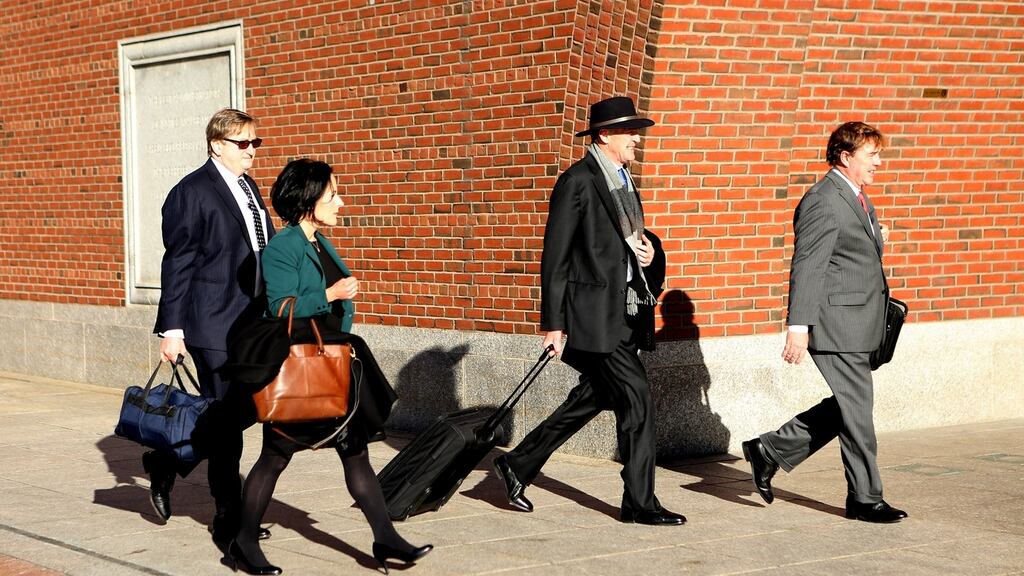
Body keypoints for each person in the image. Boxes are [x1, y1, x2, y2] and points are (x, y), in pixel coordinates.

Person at [226, 159, 431, 575]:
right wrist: (331, 292)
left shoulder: (317, 240)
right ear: (308, 200)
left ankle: (385, 538)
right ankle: (243, 541)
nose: (340, 201)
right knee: (274, 455)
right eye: (332, 194)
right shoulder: (284, 246)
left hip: (333, 363)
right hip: (302, 369)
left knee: (355, 453)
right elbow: (279, 306)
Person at [491, 96, 685, 526]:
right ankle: (640, 503)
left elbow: (622, 240)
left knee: (593, 397)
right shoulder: (577, 181)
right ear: (604, 135)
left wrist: (648, 252)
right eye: (629, 131)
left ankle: (518, 463)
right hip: (593, 317)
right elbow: (555, 257)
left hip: (624, 313)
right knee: (638, 399)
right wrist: (554, 324)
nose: (638, 137)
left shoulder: (622, 178)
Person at [741, 121, 908, 524]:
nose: (879, 163)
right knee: (858, 416)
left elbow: (844, 253)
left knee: (851, 407)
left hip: (858, 322)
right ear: (846, 156)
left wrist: (875, 236)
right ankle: (866, 499)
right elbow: (808, 266)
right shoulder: (823, 199)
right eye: (872, 155)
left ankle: (770, 450)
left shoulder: (856, 197)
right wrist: (798, 327)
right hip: (837, 326)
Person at [148, 108, 275, 544]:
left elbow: (264, 247)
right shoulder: (191, 192)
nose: (252, 152)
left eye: (255, 143)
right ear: (217, 145)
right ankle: (230, 519)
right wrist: (172, 329)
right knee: (227, 421)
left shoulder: (249, 186)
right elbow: (178, 262)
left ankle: (166, 464)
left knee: (245, 412)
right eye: (243, 143)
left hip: (251, 322)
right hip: (212, 324)